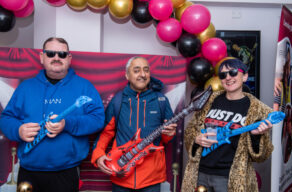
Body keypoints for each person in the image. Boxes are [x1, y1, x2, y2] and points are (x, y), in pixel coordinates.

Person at [0, 37, 105, 192]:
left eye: (62, 54)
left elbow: (98, 119)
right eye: (50, 53)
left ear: (69, 58)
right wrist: (18, 130)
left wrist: (67, 124)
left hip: (66, 172)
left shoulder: (84, 87)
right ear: (42, 57)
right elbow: (6, 119)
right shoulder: (25, 88)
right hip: (29, 172)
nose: (56, 58)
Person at [182, 58, 274, 192]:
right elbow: (190, 130)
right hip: (199, 173)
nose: (228, 77)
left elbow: (262, 155)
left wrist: (256, 137)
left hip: (231, 178)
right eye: (223, 75)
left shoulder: (259, 110)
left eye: (233, 72)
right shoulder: (208, 100)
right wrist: (196, 139)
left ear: (245, 76)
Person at [91, 56, 177, 192]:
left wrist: (170, 134)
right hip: (121, 174)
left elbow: (166, 138)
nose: (142, 74)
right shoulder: (118, 100)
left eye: (146, 70)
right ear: (127, 75)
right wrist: (98, 154)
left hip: (151, 179)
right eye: (136, 70)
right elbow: (106, 133)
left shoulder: (161, 100)